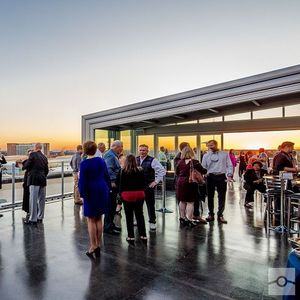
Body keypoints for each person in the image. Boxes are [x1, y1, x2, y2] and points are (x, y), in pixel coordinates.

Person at [78, 141, 110, 257]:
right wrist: (108, 188)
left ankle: (93, 245)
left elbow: (82, 182)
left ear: (85, 150)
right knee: (99, 218)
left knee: (91, 219)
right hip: (102, 190)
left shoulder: (84, 164)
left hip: (91, 192)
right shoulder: (101, 161)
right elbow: (107, 176)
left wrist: (82, 195)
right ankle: (98, 244)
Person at [202, 140, 233, 224]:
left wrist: (229, 175)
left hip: (221, 176)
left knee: (222, 196)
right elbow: (203, 167)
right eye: (209, 146)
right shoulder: (206, 155)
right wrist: (203, 175)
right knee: (210, 196)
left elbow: (229, 165)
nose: (210, 147)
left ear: (216, 144)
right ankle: (210, 214)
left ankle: (220, 215)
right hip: (210, 177)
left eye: (211, 145)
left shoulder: (224, 154)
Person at [118, 154, 147, 242]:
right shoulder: (141, 170)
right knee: (140, 214)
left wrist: (120, 199)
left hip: (127, 195)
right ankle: (143, 235)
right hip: (139, 194)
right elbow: (144, 183)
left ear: (126, 161)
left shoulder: (122, 171)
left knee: (129, 215)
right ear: (135, 161)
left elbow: (120, 185)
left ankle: (131, 236)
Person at [136, 144, 166, 230]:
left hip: (148, 186)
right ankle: (138, 220)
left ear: (147, 151)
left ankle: (152, 222)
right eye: (140, 150)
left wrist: (156, 181)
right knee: (138, 205)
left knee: (150, 205)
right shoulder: (136, 159)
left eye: (144, 150)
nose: (142, 152)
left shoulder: (153, 160)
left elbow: (162, 171)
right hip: (138, 186)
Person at [176, 146, 207, 227]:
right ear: (192, 153)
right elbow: (203, 171)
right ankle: (189, 219)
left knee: (182, 201)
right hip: (190, 182)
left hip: (180, 182)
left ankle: (182, 218)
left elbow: (177, 173)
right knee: (190, 202)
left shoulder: (179, 162)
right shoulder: (195, 162)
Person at [22, 143, 49, 225]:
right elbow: (46, 171)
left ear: (35, 148)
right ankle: (40, 217)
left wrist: (23, 165)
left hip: (34, 180)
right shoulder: (44, 157)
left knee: (33, 200)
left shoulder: (32, 154)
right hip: (43, 180)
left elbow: (27, 165)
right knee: (41, 200)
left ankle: (33, 219)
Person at [103, 140, 123, 234]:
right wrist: (113, 181)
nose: (122, 148)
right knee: (110, 206)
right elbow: (108, 169)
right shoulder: (110, 156)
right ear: (116, 147)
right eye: (121, 146)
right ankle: (108, 227)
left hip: (113, 184)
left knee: (113, 206)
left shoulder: (111, 154)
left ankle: (111, 224)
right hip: (112, 185)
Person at [16, 149, 33, 222]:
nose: (30, 155)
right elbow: (19, 166)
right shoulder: (27, 161)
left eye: (31, 154)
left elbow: (22, 167)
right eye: (29, 154)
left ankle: (30, 212)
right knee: (27, 196)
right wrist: (18, 162)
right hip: (27, 181)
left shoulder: (30, 161)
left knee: (29, 196)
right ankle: (28, 211)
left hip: (30, 180)